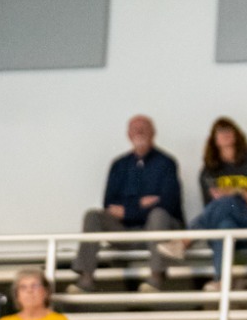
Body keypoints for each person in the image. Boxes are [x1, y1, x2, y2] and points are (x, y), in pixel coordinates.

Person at [75, 114, 185, 292]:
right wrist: (141, 204)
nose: (139, 132)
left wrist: (127, 210)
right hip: (126, 232)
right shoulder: (119, 165)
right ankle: (86, 277)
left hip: (158, 231)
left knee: (158, 215)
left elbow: (168, 203)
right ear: (128, 134)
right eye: (135, 129)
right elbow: (109, 204)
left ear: (153, 133)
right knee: (93, 215)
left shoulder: (166, 163)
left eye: (143, 128)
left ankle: (156, 276)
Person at [186, 116, 247, 289]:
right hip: (223, 227)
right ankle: (222, 280)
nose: (224, 135)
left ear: (236, 135)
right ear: (214, 140)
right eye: (220, 132)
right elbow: (211, 209)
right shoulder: (209, 171)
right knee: (224, 224)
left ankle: (188, 237)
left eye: (228, 130)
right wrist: (242, 194)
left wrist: (235, 192)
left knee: (226, 202)